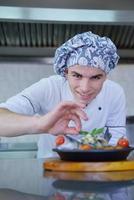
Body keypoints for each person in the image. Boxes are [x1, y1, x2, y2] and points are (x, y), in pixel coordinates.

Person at [0, 31, 126, 158]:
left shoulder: (114, 93)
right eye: (77, 75)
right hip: (51, 170)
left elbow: (117, 140)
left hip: (97, 170)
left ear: (105, 76)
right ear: (66, 72)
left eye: (96, 77)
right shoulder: (49, 87)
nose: (85, 88)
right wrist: (41, 124)